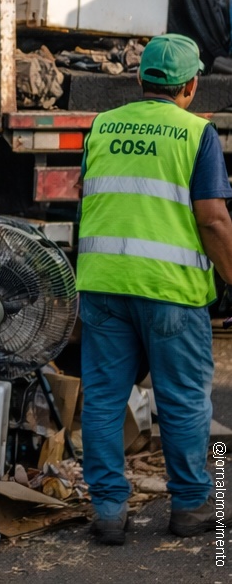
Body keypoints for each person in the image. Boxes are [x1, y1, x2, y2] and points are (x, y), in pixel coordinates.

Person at [78, 33, 232, 545]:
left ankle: (107, 511)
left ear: (141, 79)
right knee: (185, 401)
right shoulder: (196, 133)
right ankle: (190, 507)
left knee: (102, 399)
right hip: (170, 293)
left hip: (101, 285)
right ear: (191, 86)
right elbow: (213, 221)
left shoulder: (102, 126)